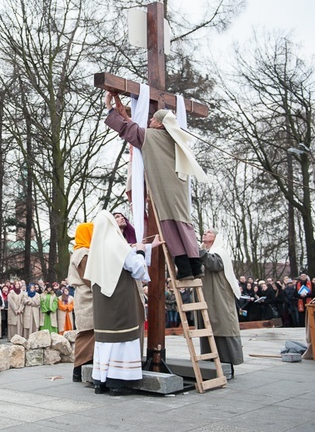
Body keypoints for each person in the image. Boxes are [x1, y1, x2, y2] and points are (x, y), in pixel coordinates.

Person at [105, 92, 208, 280]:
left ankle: (184, 269)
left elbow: (128, 129)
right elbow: (134, 125)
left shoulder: (151, 137)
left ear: (160, 124)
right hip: (180, 188)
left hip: (163, 188)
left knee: (168, 225)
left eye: (153, 119)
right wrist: (123, 111)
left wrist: (110, 108)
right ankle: (195, 266)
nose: (150, 120)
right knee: (184, 224)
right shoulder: (177, 138)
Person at [86, 209, 156, 395]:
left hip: (103, 304)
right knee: (122, 339)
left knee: (105, 341)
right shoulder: (116, 242)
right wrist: (141, 251)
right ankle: (116, 381)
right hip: (120, 298)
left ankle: (100, 381)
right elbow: (137, 268)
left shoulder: (96, 248)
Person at [198, 229, 244, 373]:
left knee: (223, 325)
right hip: (206, 295)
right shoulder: (201, 251)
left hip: (219, 296)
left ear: (216, 237)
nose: (205, 234)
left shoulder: (221, 252)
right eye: (204, 232)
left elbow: (214, 264)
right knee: (208, 326)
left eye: (209, 232)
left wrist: (198, 251)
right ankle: (210, 364)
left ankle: (227, 365)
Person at [68, 222, 94, 383]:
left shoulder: (81, 251)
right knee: (87, 334)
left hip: (85, 297)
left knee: (89, 334)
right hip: (87, 298)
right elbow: (89, 277)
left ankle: (82, 370)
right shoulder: (82, 253)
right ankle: (79, 370)